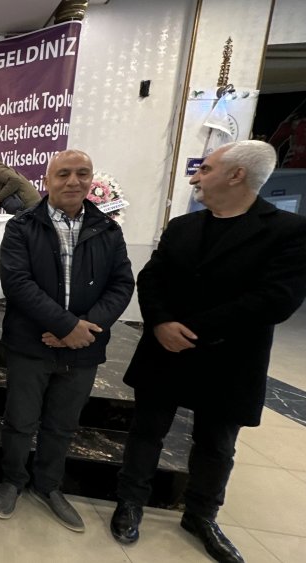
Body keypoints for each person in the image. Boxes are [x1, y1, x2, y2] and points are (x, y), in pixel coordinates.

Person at [111, 140, 306, 563]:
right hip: (165, 348)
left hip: (229, 358)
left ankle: (201, 514)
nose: (195, 177)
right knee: (146, 432)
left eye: (206, 169)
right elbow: (152, 278)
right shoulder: (183, 226)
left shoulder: (287, 231)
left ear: (237, 175)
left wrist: (193, 330)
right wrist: (161, 322)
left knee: (217, 444)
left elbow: (276, 299)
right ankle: (130, 501)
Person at [0, 149, 134, 531]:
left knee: (63, 424)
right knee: (20, 420)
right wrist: (66, 325)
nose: (73, 181)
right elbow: (17, 282)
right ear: (47, 180)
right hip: (30, 344)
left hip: (84, 347)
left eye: (82, 173)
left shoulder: (108, 230)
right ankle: (12, 480)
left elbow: (122, 284)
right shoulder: (22, 226)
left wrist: (85, 328)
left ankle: (48, 485)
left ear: (91, 179)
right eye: (64, 174)